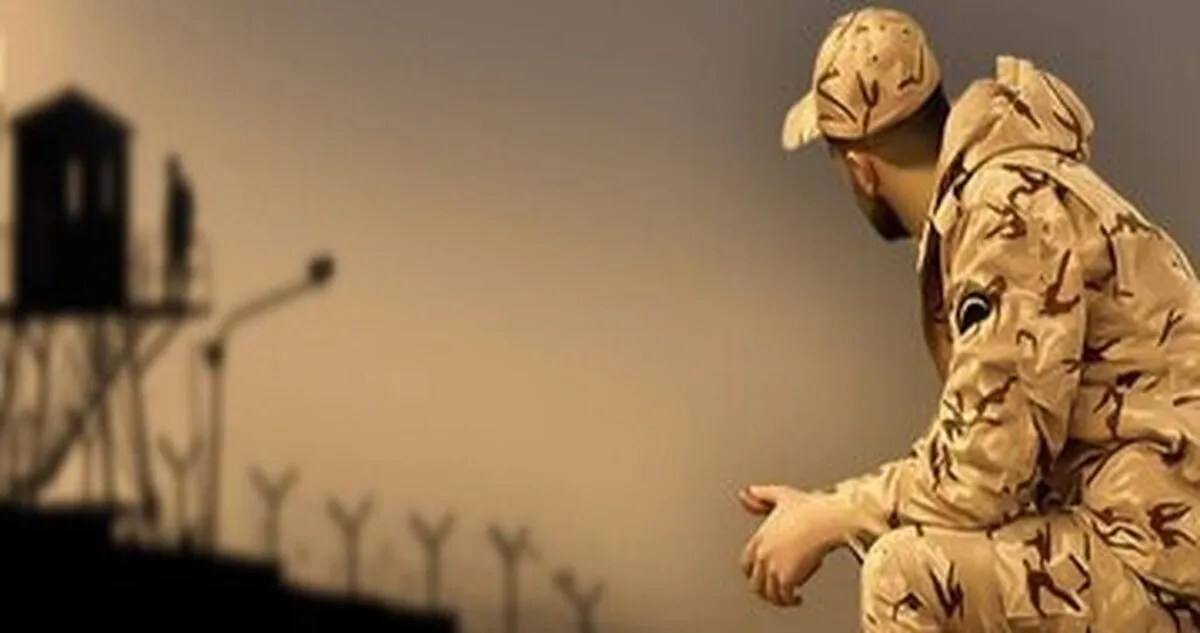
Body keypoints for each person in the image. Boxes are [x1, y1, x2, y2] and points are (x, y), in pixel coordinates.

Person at [738, 6, 1200, 631]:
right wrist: (830, 511)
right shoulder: (1013, 189)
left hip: (1160, 567)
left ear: (860, 170)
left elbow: (984, 470)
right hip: (1151, 548)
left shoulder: (1003, 209)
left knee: (905, 576)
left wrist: (831, 517)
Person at [164, 154, 194, 301]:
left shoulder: (179, 190)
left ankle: (177, 297)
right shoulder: (178, 190)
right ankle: (175, 296)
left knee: (177, 266)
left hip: (178, 237)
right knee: (175, 267)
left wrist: (185, 234)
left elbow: (183, 215)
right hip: (176, 237)